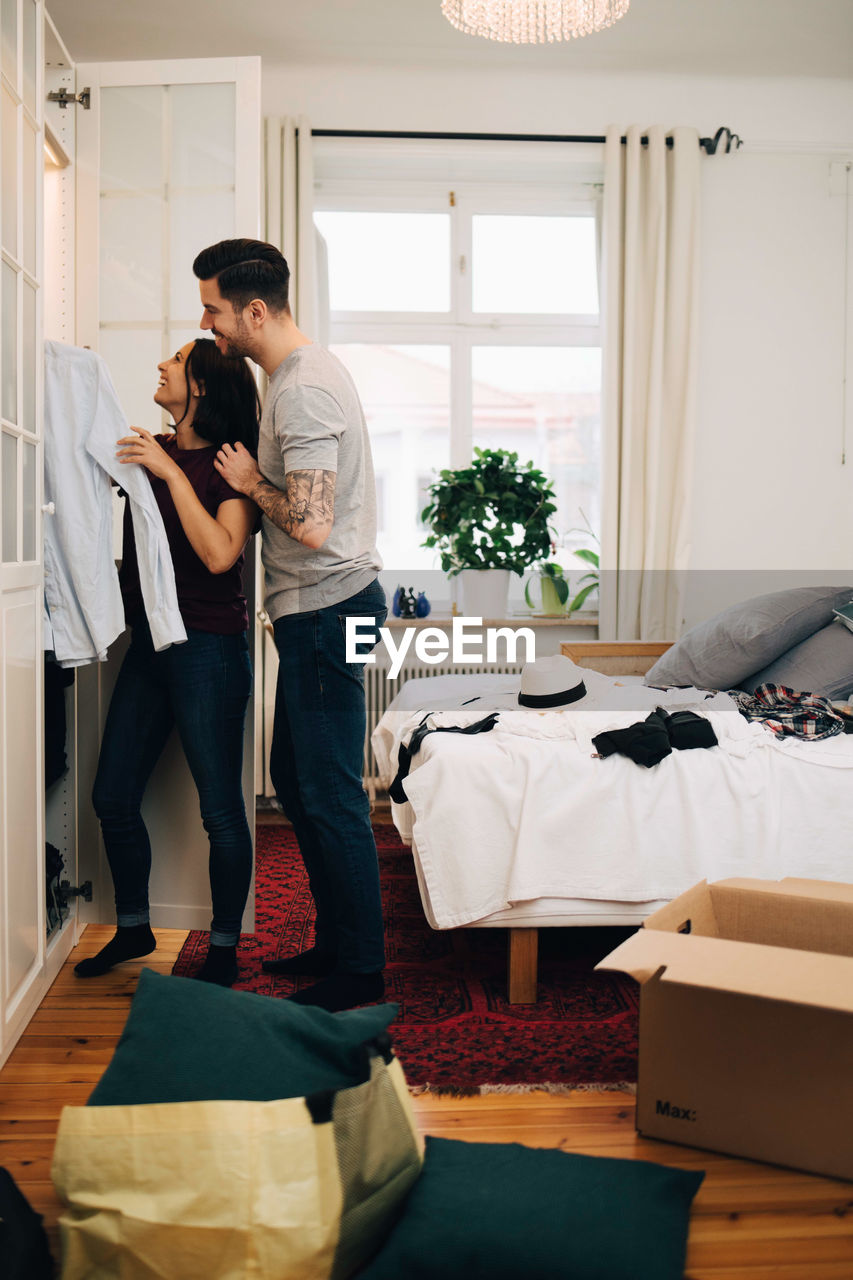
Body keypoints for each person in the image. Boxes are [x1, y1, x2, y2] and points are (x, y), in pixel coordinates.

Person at [192, 238, 387, 1013]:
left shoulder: (304, 389)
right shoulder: (297, 378)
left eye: (213, 309)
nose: (206, 324)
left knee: (330, 794)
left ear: (255, 311)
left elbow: (308, 524)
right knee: (300, 788)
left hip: (329, 607)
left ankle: (360, 970)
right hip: (320, 608)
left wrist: (248, 483)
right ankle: (340, 944)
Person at [75, 338, 261, 988]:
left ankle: (225, 950)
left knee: (219, 812)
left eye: (176, 361)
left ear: (202, 386)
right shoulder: (147, 451)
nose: (160, 365)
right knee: (111, 796)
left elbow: (218, 555)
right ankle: (132, 928)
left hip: (209, 649)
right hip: (151, 646)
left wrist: (171, 472)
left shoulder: (232, 464)